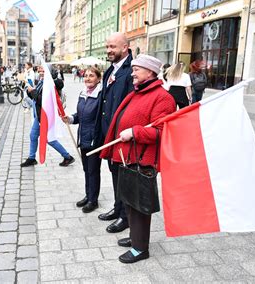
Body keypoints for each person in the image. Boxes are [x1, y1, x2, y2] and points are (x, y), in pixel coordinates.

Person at [100, 54, 176, 263]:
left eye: (136, 70)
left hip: (142, 159)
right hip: (128, 156)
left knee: (140, 205)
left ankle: (140, 249)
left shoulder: (162, 97)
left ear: (150, 72)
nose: (132, 73)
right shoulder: (138, 92)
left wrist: (135, 132)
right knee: (130, 202)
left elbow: (162, 132)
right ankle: (136, 238)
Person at [95, 32, 134, 234]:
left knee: (124, 177)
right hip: (109, 135)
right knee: (114, 173)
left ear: (125, 48)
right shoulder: (111, 69)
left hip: (121, 136)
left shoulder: (131, 71)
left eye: (113, 47)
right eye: (107, 46)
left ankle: (125, 217)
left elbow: (131, 106)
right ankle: (118, 208)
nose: (109, 50)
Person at [62, 67, 103, 213]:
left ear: (99, 78)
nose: (88, 78)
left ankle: (93, 200)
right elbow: (80, 115)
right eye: (86, 76)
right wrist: (70, 118)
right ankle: (88, 195)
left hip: (94, 139)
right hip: (83, 137)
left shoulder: (100, 95)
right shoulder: (83, 94)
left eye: (91, 76)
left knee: (93, 170)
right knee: (87, 169)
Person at [21, 64, 75, 168]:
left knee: (49, 139)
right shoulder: (42, 82)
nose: (40, 72)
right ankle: (32, 158)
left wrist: (33, 92)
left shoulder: (51, 84)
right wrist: (30, 91)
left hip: (46, 116)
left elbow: (44, 101)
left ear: (49, 72)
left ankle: (67, 156)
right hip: (39, 115)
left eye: (43, 70)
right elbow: (34, 96)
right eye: (39, 70)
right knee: (33, 136)